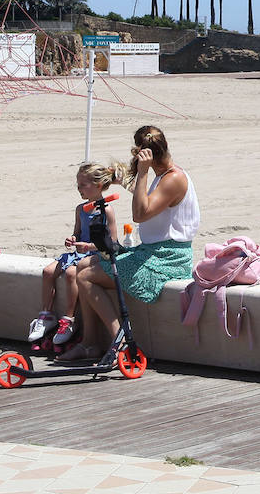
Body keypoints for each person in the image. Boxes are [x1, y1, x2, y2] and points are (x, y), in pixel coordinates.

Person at [61, 125, 200, 362]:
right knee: (84, 265)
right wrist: (122, 178)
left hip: (167, 259)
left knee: (85, 277)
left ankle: (120, 339)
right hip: (152, 251)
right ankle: (89, 343)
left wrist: (143, 171)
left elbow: (140, 212)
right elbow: (142, 192)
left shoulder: (174, 179)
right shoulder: (163, 176)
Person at [26, 161, 123, 346]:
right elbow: (77, 232)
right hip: (78, 252)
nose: (79, 189)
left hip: (92, 254)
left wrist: (88, 246)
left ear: (98, 186)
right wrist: (71, 239)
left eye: (83, 185)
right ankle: (46, 316)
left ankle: (68, 320)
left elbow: (113, 242)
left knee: (72, 273)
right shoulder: (81, 209)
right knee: (47, 272)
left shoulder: (106, 211)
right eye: (78, 185)